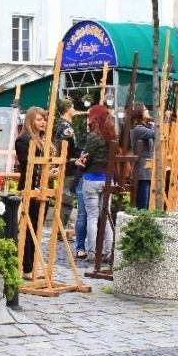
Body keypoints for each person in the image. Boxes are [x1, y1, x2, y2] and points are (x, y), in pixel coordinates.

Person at [15, 107, 53, 281]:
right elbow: (28, 164)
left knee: (37, 228)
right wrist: (46, 171)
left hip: (43, 187)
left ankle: (32, 264)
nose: (43, 122)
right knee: (27, 228)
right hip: (30, 186)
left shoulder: (43, 139)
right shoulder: (24, 140)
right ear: (31, 120)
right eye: (39, 119)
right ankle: (27, 267)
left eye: (44, 119)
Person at [75, 105, 117, 263]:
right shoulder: (113, 136)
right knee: (105, 217)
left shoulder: (93, 137)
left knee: (92, 217)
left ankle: (91, 253)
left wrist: (79, 162)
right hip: (107, 179)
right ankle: (108, 253)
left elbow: (87, 159)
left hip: (92, 179)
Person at [52, 98, 79, 229]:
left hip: (64, 162)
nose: (74, 110)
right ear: (68, 109)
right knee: (66, 196)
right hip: (68, 163)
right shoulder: (65, 126)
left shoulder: (58, 123)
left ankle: (60, 227)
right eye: (73, 107)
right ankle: (60, 228)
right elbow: (65, 145)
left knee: (65, 195)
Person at [129, 102, 155, 210]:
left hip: (146, 170)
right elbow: (156, 134)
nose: (148, 110)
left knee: (146, 202)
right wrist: (161, 120)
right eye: (145, 109)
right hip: (142, 171)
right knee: (143, 204)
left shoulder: (144, 127)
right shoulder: (138, 129)